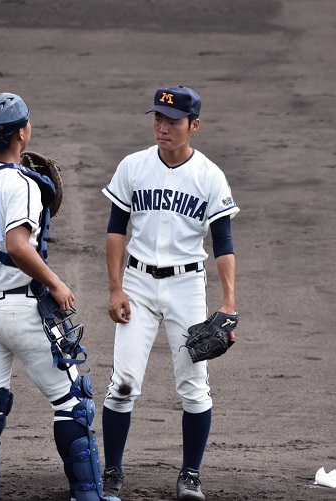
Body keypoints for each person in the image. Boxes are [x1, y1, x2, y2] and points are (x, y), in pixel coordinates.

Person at [0, 92, 119, 501]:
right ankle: (90, 497)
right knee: (73, 402)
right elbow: (18, 245)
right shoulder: (22, 184)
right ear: (22, 133)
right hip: (23, 310)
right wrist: (57, 284)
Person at [99, 86, 239, 501]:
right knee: (122, 383)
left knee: (194, 385)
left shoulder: (209, 176)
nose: (162, 127)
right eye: (157, 118)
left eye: (172, 121)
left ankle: (191, 475)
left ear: (193, 126)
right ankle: (112, 472)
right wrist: (115, 288)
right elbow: (115, 229)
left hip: (186, 286)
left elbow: (224, 242)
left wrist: (229, 303)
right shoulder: (133, 166)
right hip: (138, 284)